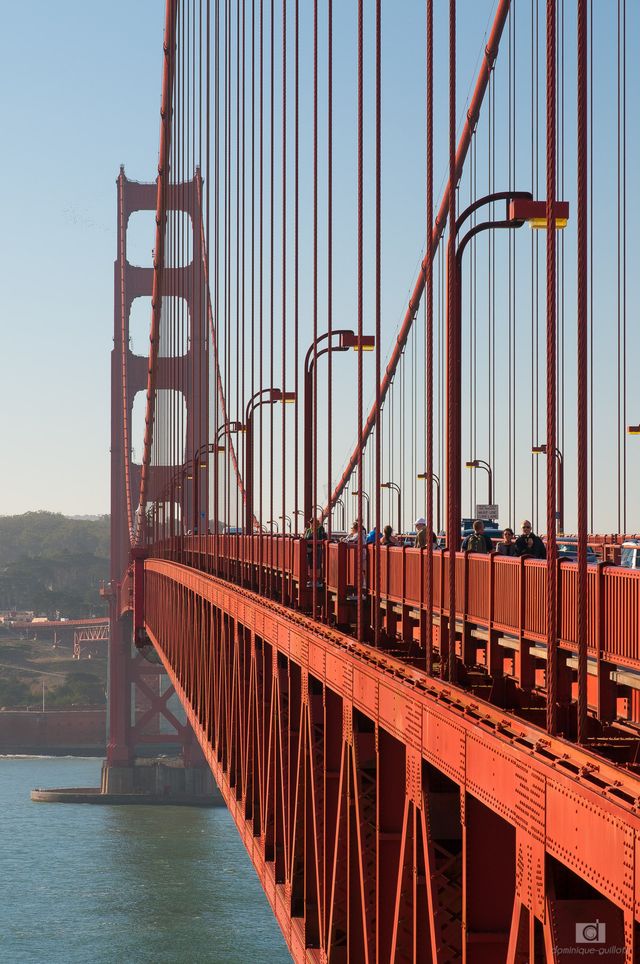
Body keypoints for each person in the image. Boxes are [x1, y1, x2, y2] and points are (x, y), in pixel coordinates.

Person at [303, 517, 326, 586]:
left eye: (312, 523)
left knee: (317, 565)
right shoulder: (308, 530)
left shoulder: (320, 529)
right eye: (310, 523)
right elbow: (305, 539)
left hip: (317, 549)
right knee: (311, 565)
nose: (311, 524)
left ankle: (317, 580)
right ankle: (311, 580)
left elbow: (321, 538)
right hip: (309, 550)